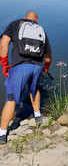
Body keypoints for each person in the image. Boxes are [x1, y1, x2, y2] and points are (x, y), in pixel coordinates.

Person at [0, 11, 52, 144]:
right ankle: (38, 116)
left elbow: (4, 43)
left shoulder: (15, 24)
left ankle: (2, 134)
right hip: (37, 67)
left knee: (11, 98)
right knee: (34, 90)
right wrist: (46, 68)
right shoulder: (41, 31)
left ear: (24, 18)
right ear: (37, 20)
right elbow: (48, 57)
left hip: (20, 67)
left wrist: (5, 64)